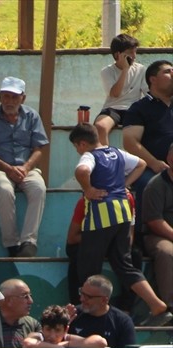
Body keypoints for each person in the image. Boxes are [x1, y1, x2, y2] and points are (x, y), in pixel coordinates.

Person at [69, 123, 171, 326]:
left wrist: (88, 189)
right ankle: (157, 305)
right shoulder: (116, 152)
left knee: (87, 268)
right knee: (124, 265)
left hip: (101, 215)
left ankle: (86, 315)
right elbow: (141, 163)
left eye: (76, 147)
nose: (78, 151)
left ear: (82, 143)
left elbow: (81, 171)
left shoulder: (89, 156)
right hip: (123, 212)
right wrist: (124, 184)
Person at [0, 76, 47, 259]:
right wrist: (9, 169)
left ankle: (29, 242)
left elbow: (39, 149)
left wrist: (26, 168)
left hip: (26, 168)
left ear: (23, 98)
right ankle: (12, 244)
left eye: (14, 97)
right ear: (0, 96)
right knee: (4, 191)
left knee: (38, 189)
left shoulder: (32, 116)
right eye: (6, 96)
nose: (9, 101)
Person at [121, 60, 173, 214]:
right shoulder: (140, 108)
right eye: (168, 71)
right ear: (153, 79)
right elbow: (130, 142)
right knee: (149, 185)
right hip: (152, 168)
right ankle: (145, 234)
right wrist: (154, 163)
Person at [96, 34, 143, 147]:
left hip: (133, 109)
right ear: (118, 54)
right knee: (100, 126)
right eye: (130, 52)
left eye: (135, 51)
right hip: (113, 109)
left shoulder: (141, 69)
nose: (134, 56)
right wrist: (125, 70)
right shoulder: (107, 71)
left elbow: (148, 93)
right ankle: (106, 158)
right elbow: (115, 94)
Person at [141, 145, 173, 312]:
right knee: (167, 252)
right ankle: (170, 305)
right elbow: (154, 221)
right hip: (158, 236)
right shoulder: (156, 185)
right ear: (169, 157)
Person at [68, 275, 136, 348]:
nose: (82, 299)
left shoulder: (122, 322)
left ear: (104, 300)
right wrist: (63, 323)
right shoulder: (72, 314)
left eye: (88, 297)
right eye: (82, 293)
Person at [22, 305, 108, 348]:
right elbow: (28, 343)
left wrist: (66, 344)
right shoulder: (38, 336)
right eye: (48, 329)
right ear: (42, 328)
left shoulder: (67, 338)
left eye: (57, 330)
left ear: (66, 330)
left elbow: (100, 342)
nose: (52, 335)